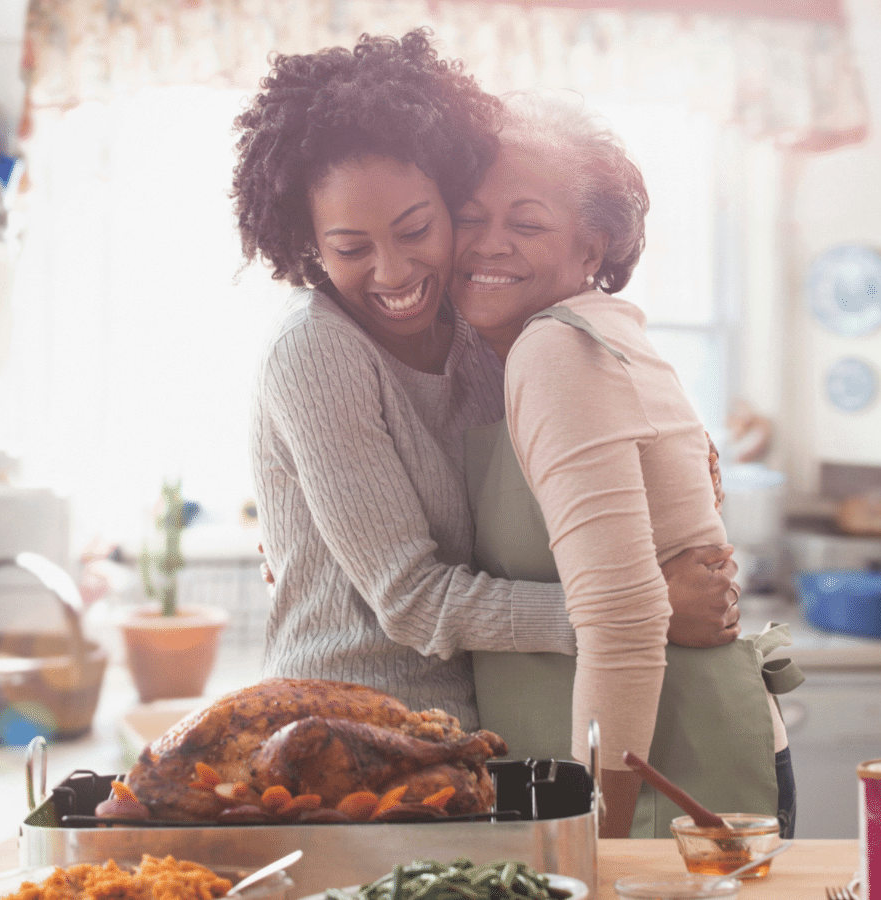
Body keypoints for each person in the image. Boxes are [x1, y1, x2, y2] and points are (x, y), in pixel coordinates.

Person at [233, 31, 741, 737]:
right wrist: (639, 608)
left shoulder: (482, 329)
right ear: (307, 246)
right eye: (352, 248)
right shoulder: (315, 351)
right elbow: (409, 599)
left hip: (478, 735)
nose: (394, 272)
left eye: (417, 229)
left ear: (449, 202)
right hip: (346, 736)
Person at [450, 92, 802, 839]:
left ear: (592, 250)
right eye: (471, 218)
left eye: (527, 223)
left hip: (664, 778)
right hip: (669, 758)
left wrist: (592, 837)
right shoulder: (566, 342)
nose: (488, 244)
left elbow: (624, 621)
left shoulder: (557, 351)